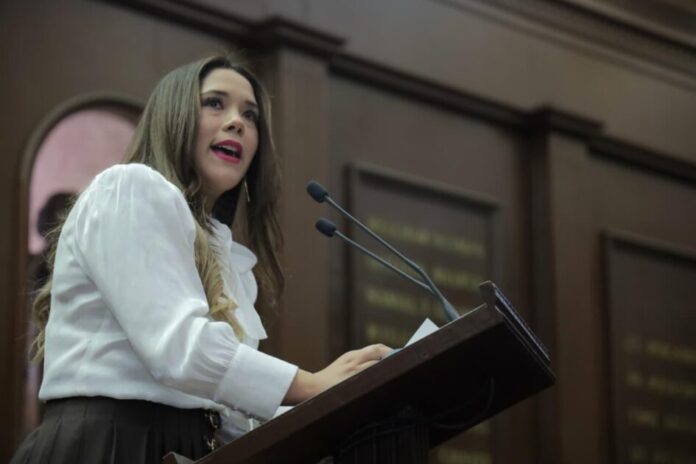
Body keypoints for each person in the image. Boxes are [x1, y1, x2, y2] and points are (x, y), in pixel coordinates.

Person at [11, 55, 391, 464]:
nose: (237, 122)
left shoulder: (224, 255)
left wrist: (341, 400)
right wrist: (312, 384)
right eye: (214, 103)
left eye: (250, 115)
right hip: (111, 443)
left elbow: (230, 414)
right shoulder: (130, 189)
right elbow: (181, 349)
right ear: (174, 117)